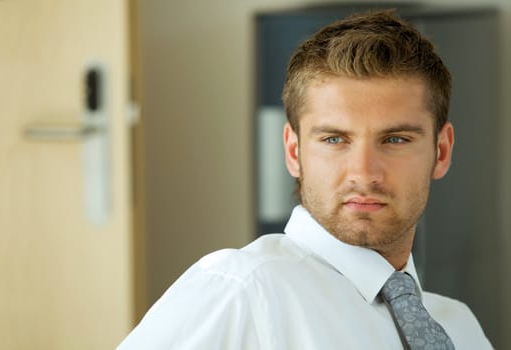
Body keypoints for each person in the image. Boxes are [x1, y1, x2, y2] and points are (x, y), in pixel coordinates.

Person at [117, 9, 492, 349]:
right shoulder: (242, 292)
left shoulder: (461, 328)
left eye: (395, 139)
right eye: (334, 139)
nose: (363, 173)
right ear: (294, 152)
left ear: (441, 151)